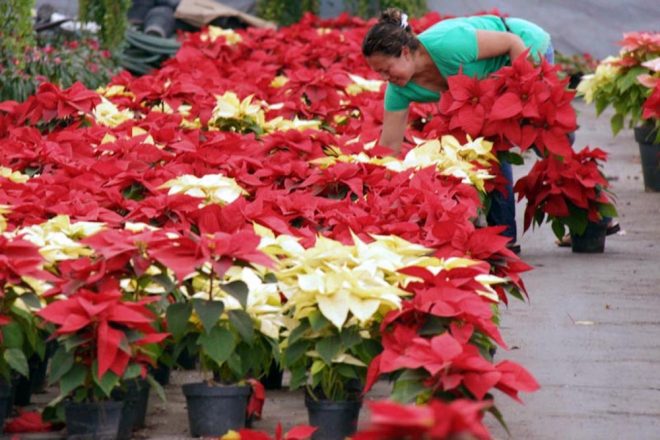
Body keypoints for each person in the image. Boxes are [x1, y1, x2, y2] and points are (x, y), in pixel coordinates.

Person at [362, 8, 555, 253]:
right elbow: (389, 148)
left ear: (405, 52)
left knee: (547, 141)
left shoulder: (446, 43)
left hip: (525, 48)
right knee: (488, 148)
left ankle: (596, 223)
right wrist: (377, 198)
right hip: (487, 87)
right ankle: (505, 242)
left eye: (387, 69)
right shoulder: (399, 89)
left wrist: (525, 102)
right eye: (379, 73)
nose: (384, 78)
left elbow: (511, 42)